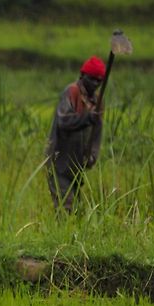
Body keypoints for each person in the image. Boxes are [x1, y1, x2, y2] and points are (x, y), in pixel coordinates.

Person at [45, 56, 106, 213]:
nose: (95, 84)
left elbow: (97, 132)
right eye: (92, 79)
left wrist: (92, 155)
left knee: (77, 211)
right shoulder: (71, 92)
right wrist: (87, 118)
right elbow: (63, 121)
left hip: (77, 164)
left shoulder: (97, 101)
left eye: (99, 80)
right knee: (66, 208)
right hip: (59, 161)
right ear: (82, 75)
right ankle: (59, 238)